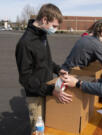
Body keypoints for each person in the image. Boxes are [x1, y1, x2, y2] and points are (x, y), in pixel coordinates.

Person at [15, 3, 72, 134]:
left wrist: (58, 69)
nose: (55, 30)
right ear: (44, 19)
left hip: (47, 91)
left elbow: (45, 61)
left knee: (49, 127)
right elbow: (26, 79)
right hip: (36, 97)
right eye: (54, 26)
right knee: (39, 130)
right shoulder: (25, 43)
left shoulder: (42, 35)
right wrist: (50, 90)